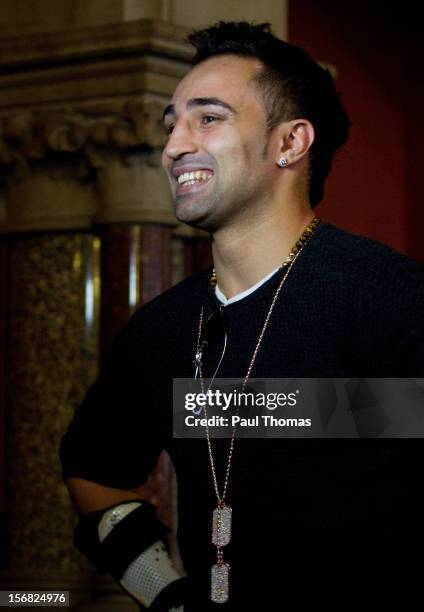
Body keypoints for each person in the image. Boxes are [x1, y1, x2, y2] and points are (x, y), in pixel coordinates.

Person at [60, 21, 424, 611]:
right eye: (171, 123)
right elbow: (94, 471)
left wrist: (264, 407)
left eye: (208, 117)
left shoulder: (392, 298)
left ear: (290, 143)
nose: (174, 145)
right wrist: (165, 594)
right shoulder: (160, 331)